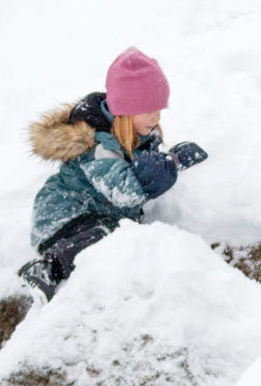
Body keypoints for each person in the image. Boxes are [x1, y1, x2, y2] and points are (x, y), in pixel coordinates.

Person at [19, 47, 208, 298]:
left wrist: (172, 161)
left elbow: (144, 168)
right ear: (125, 110)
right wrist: (160, 170)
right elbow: (125, 194)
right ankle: (47, 269)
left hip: (95, 212)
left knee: (115, 231)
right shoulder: (98, 145)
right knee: (107, 233)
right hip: (63, 217)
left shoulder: (139, 133)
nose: (156, 116)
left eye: (159, 109)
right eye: (148, 109)